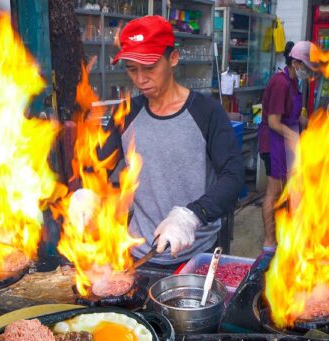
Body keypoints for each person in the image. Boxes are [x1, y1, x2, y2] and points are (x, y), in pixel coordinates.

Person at [89, 15, 244, 267]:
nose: (140, 79)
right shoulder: (126, 113)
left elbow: (233, 176)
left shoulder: (206, 111)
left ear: (173, 58)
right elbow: (96, 167)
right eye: (132, 68)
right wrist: (85, 193)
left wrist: (192, 214)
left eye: (149, 68)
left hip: (196, 254)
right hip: (141, 254)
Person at [258, 40, 317, 252]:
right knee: (273, 192)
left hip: (286, 141)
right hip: (273, 143)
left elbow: (296, 118)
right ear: (295, 62)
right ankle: (268, 242)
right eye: (307, 68)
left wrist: (318, 129)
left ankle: (285, 236)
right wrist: (295, 138)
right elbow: (274, 122)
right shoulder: (280, 83)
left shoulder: (293, 83)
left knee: (288, 191)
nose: (308, 74)